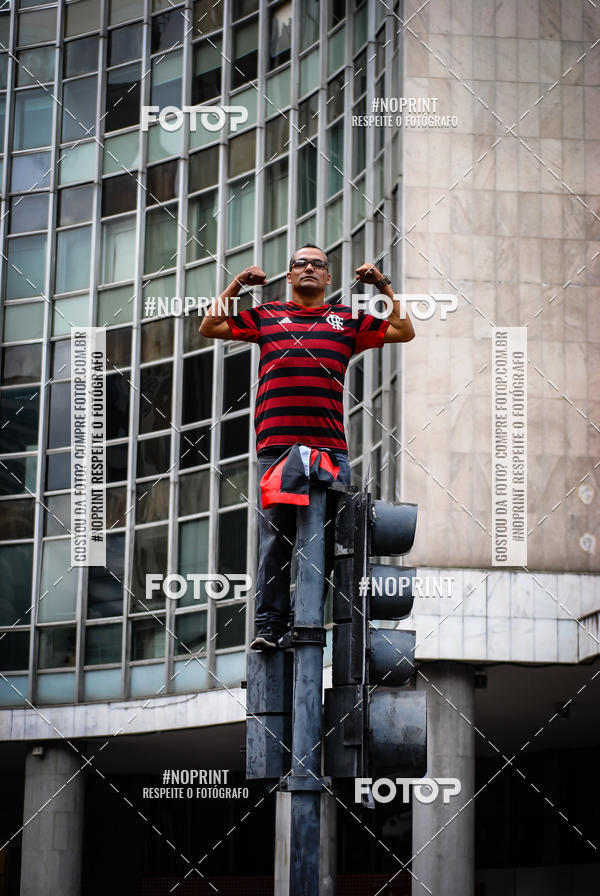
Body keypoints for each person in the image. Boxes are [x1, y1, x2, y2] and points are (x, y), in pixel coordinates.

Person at [199, 244, 415, 649]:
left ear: (328, 278)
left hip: (330, 451)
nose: (310, 268)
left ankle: (319, 623)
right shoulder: (266, 317)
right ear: (289, 276)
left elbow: (404, 330)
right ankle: (270, 628)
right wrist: (237, 284)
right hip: (278, 449)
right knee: (276, 541)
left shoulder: (347, 321)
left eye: (318, 264)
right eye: (301, 263)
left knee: (333, 543)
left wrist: (381, 284)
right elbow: (210, 327)